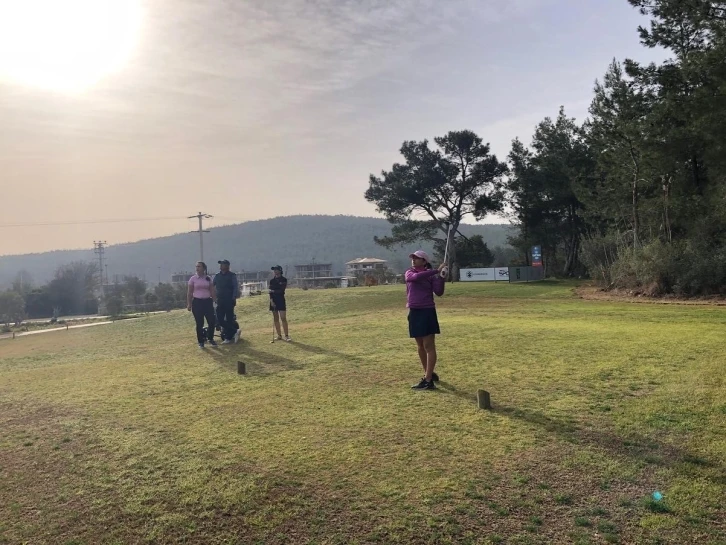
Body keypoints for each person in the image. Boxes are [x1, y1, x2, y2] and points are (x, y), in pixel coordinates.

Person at [405, 250, 447, 390]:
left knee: (429, 346)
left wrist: (441, 277)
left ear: (424, 261)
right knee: (420, 346)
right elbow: (416, 278)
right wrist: (436, 271)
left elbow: (439, 292)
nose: (413, 260)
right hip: (414, 312)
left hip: (427, 311)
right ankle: (428, 374)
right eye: (413, 258)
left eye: (417, 258)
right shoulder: (409, 273)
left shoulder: (431, 275)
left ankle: (428, 380)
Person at [187, 262, 217, 348]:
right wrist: (189, 304)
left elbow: (212, 291)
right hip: (197, 302)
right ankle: (201, 341)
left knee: (211, 321)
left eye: (199, 266)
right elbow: (189, 293)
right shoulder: (193, 279)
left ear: (204, 268)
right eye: (196, 266)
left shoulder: (208, 278)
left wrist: (215, 301)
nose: (197, 268)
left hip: (207, 302)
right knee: (199, 323)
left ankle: (210, 338)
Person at [213, 259, 240, 344]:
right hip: (220, 300)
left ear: (227, 266)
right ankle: (235, 331)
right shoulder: (217, 276)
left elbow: (235, 287)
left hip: (229, 300)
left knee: (229, 319)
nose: (220, 266)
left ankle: (228, 338)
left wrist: (234, 297)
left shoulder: (232, 275)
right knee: (219, 319)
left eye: (222, 264)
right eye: (220, 264)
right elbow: (212, 285)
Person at [269, 265, 291, 341]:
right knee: (276, 318)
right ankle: (279, 335)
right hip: (273, 301)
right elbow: (270, 292)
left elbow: (281, 291)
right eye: (274, 270)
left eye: (276, 270)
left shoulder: (283, 280)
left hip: (281, 300)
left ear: (280, 271)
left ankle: (287, 336)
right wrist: (271, 301)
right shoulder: (272, 281)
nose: (275, 271)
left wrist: (273, 291)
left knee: (283, 318)